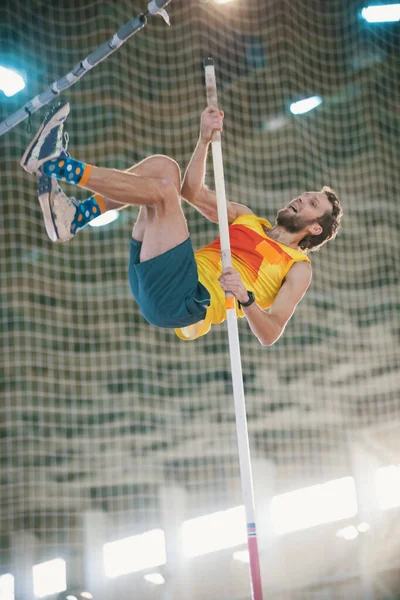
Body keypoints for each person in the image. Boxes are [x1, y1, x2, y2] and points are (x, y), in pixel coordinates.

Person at [21, 102, 343, 344]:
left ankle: (61, 166)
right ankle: (76, 217)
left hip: (185, 299)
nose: (301, 198)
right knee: (164, 170)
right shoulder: (248, 218)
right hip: (161, 278)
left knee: (162, 195)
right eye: (305, 195)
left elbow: (271, 332)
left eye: (311, 203)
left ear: (315, 228)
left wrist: (246, 298)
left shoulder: (298, 266)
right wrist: (203, 140)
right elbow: (191, 191)